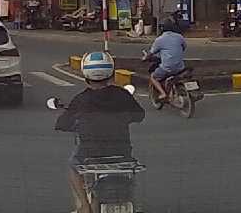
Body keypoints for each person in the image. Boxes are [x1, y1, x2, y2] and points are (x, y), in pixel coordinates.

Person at [55, 52, 144, 213]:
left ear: (85, 75)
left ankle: (84, 206)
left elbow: (62, 124)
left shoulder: (81, 99)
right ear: (110, 74)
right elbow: (139, 115)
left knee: (72, 165)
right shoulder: (122, 94)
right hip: (121, 151)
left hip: (90, 153)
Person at [146, 20, 187, 102]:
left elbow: (151, 53)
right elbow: (184, 47)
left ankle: (163, 93)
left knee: (153, 77)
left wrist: (145, 58)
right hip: (180, 67)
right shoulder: (179, 37)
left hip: (167, 68)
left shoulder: (160, 39)